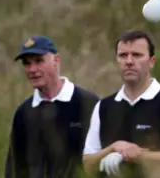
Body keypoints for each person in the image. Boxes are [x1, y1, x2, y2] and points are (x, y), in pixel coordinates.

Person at [82, 30, 160, 178]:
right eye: (123, 55)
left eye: (136, 55)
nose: (129, 61)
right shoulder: (103, 107)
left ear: (151, 62)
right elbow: (87, 164)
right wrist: (112, 149)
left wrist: (137, 155)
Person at [5, 35, 100, 178]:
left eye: (38, 61)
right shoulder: (23, 113)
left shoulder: (88, 103)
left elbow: (102, 158)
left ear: (56, 60)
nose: (32, 69)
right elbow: (14, 168)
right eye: (26, 63)